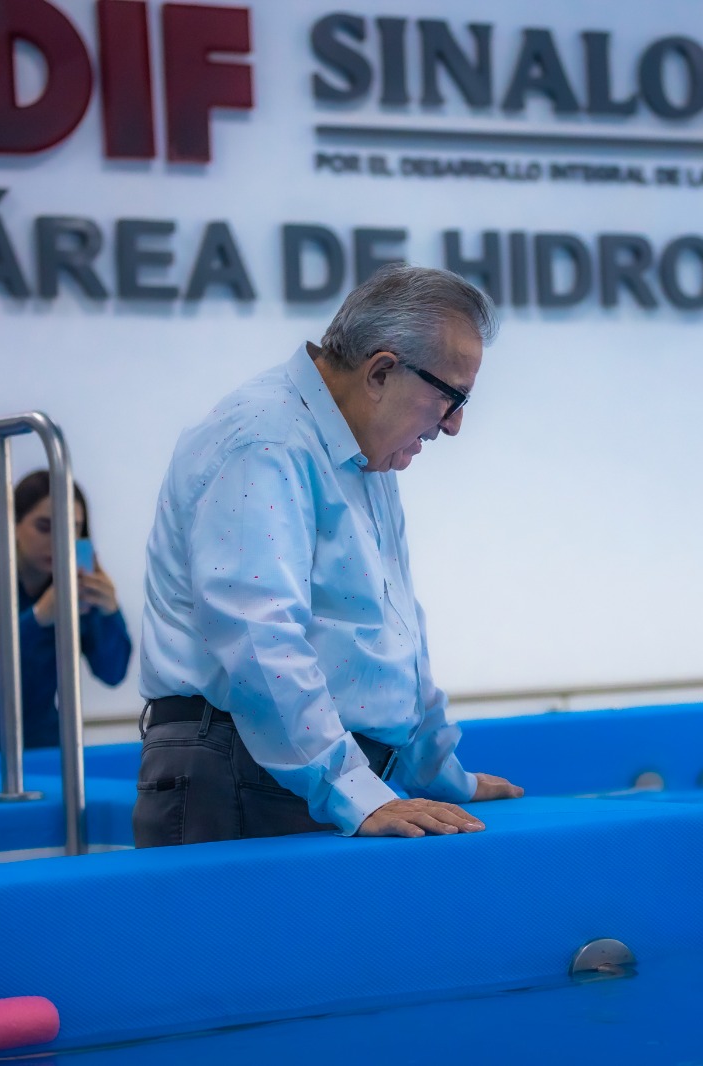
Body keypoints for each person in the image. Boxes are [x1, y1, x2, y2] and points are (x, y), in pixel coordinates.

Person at [134, 264, 523, 848]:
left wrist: (437, 774)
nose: (456, 425)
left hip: (310, 776)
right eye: (452, 398)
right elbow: (259, 638)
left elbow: (391, 635)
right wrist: (352, 791)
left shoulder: (360, 450)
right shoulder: (266, 439)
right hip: (246, 775)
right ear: (381, 372)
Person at [0, 470, 132, 753]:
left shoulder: (75, 590)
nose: (58, 541)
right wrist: (37, 618)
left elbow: (113, 673)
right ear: (14, 525)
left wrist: (109, 613)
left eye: (72, 528)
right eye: (45, 527)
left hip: (42, 749)